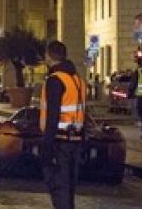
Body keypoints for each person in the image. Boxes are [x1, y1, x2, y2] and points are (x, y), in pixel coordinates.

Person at [40, 40, 85, 209]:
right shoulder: (77, 79)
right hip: (75, 140)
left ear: (49, 56)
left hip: (60, 142)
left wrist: (46, 146)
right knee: (69, 188)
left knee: (59, 188)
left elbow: (53, 116)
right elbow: (82, 112)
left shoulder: (55, 80)